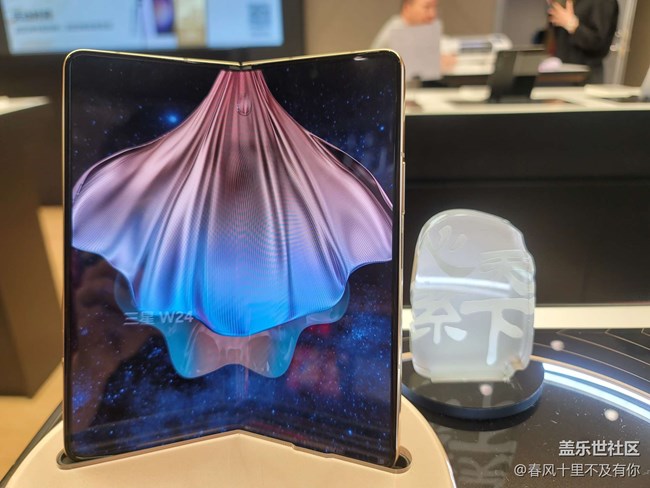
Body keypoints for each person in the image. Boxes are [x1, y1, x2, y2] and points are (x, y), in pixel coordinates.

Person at [547, 0, 619, 83]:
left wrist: (572, 25)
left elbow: (599, 43)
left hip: (585, 76)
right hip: (560, 70)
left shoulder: (603, 2)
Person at [371, 0, 438, 49]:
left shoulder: (421, 30)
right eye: (427, 7)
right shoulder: (396, 32)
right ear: (407, 7)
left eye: (435, 7)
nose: (432, 14)